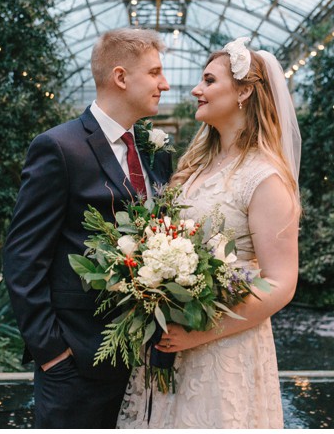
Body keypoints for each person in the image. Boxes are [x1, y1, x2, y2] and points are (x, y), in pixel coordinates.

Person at [117, 37, 301, 429]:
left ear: (245, 91)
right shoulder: (197, 165)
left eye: (209, 80)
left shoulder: (265, 177)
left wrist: (200, 333)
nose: (196, 90)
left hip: (225, 352)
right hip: (172, 346)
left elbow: (282, 283)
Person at [2, 28, 173, 428]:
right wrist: (53, 354)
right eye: (154, 73)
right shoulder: (59, 147)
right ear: (120, 77)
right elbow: (22, 258)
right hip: (76, 365)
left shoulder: (155, 153)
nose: (164, 83)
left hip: (148, 363)